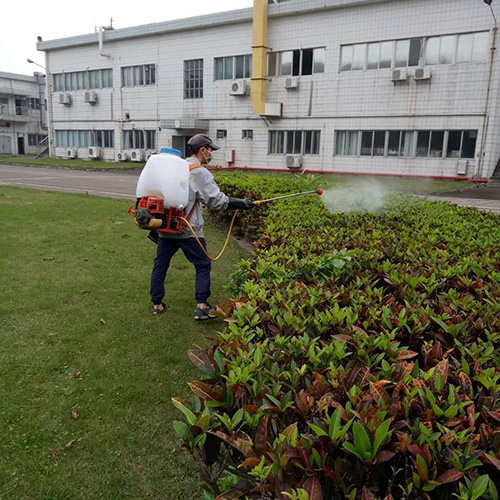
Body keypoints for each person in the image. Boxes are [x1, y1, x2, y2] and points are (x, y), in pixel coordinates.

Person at [150, 134, 255, 320]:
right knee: (203, 264)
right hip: (189, 230)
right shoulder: (198, 172)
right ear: (202, 150)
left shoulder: (176, 167)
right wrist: (241, 203)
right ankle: (202, 306)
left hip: (166, 227)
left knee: (161, 264)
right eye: (210, 150)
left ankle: (157, 304)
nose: (211, 153)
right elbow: (216, 201)